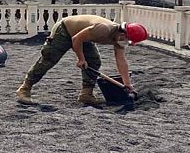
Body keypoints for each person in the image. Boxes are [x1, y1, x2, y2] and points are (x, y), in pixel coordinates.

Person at [15, 15, 148, 106]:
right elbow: (76, 39)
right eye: (129, 40)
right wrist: (81, 59)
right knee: (49, 58)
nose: (127, 43)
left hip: (83, 36)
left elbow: (121, 60)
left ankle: (86, 94)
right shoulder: (103, 30)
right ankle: (25, 89)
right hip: (65, 30)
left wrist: (127, 84)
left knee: (94, 62)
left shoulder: (120, 39)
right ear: (123, 34)